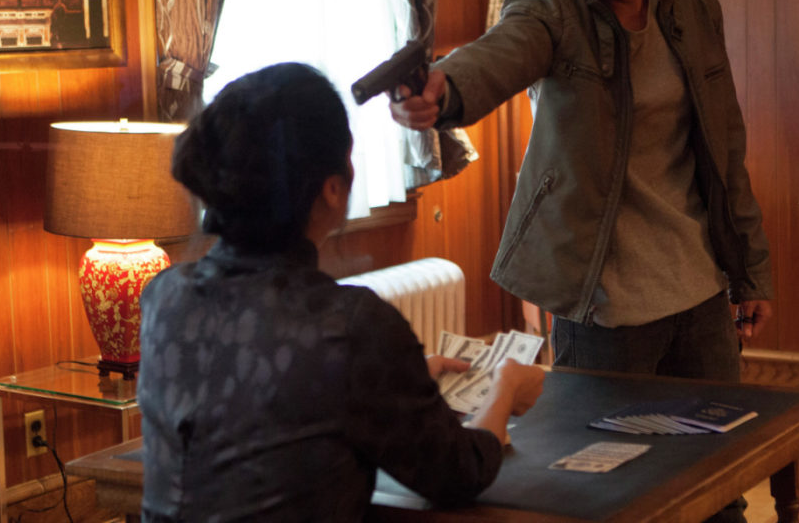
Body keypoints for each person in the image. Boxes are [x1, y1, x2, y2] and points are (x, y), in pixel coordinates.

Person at [390, 0, 771, 520]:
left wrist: (749, 268)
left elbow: (725, 148)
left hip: (699, 291)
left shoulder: (695, 7)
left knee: (718, 490)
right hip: (603, 303)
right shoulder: (549, 5)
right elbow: (502, 51)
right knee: (605, 492)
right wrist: (448, 88)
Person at [137, 63, 545, 521]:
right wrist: (504, 391)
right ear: (332, 187)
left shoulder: (164, 296)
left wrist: (396, 383)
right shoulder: (349, 327)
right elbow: (458, 473)